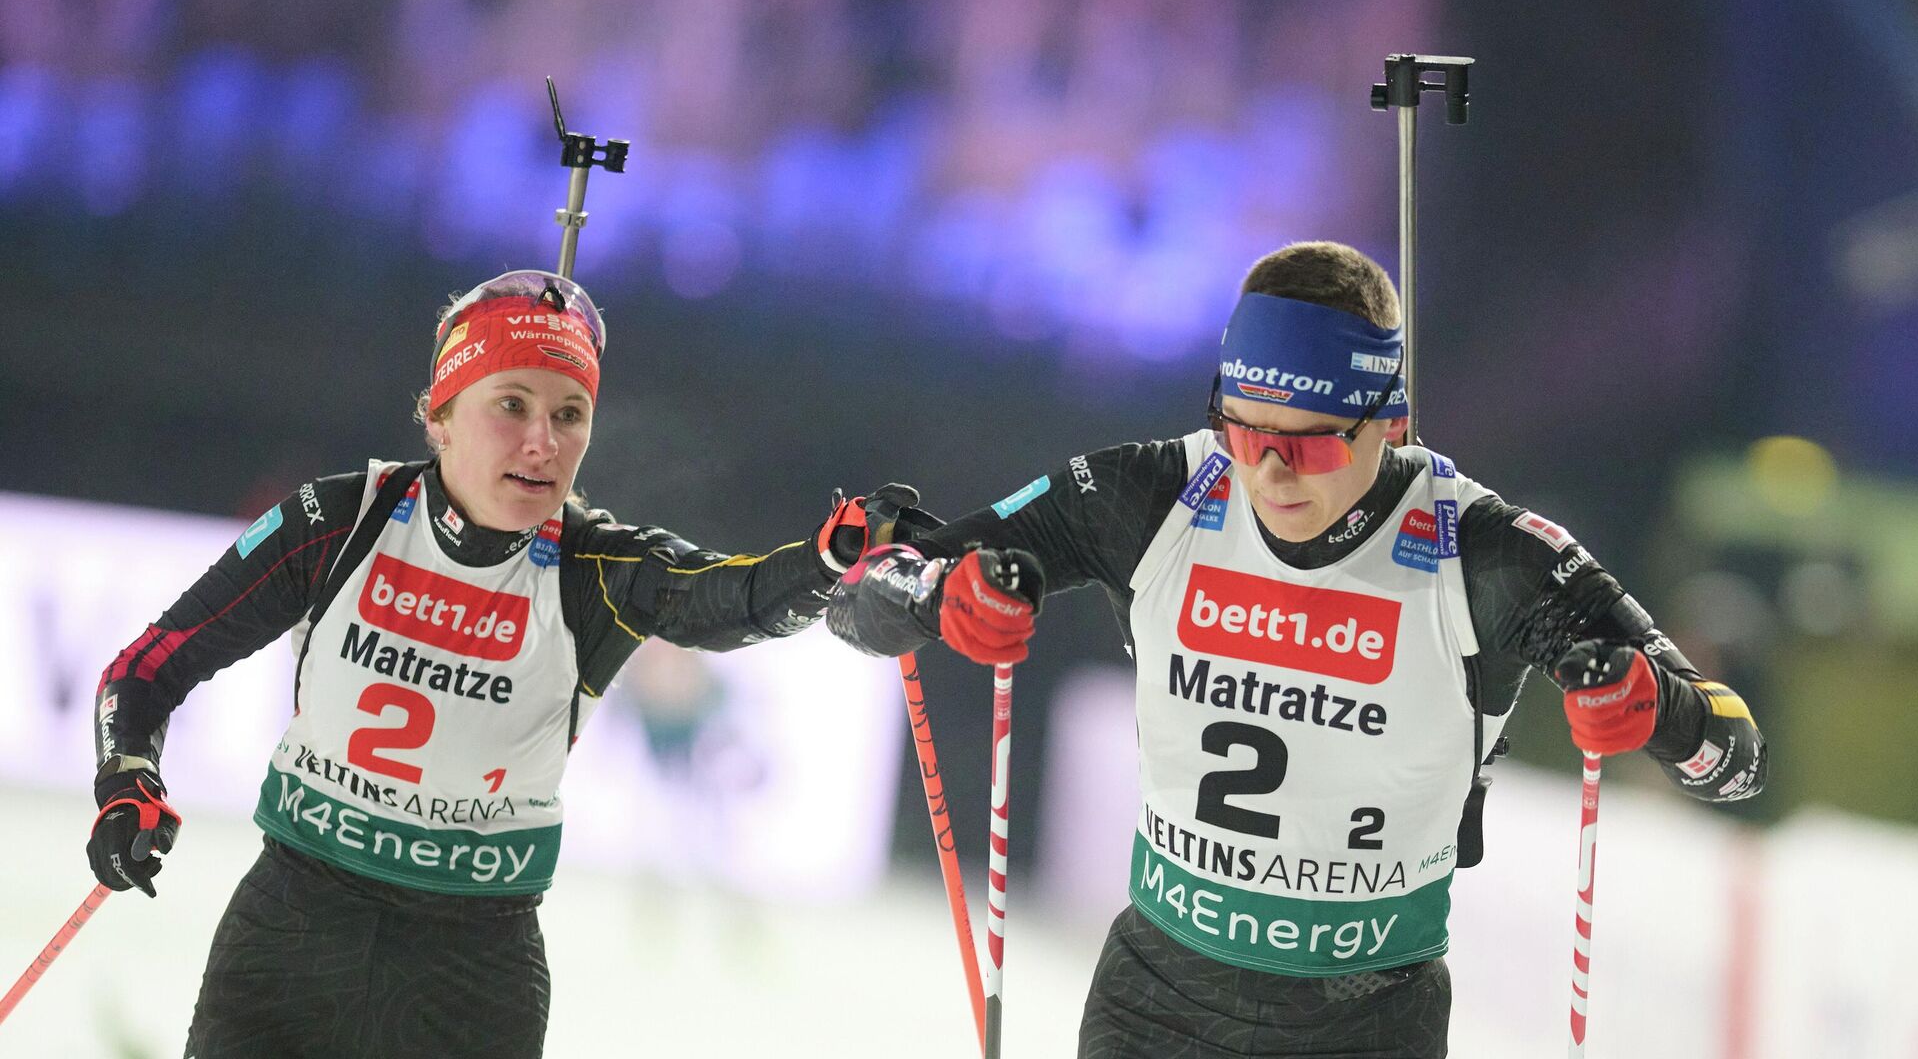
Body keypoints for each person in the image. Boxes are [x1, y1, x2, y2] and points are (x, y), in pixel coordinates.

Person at [825, 241, 1768, 1058]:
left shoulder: (1487, 555)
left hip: (1365, 1022)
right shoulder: (1155, 494)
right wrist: (939, 597)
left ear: (1388, 421)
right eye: (1245, 430)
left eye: (1310, 445)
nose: (1270, 472)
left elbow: (1736, 757)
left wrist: (1658, 709)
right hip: (1156, 1004)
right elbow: (863, 593)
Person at [84, 269, 928, 1059]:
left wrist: (828, 559)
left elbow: (728, 599)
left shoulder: (595, 567)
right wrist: (127, 778)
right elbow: (152, 665)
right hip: (293, 935)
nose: (541, 442)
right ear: (440, 414)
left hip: (471, 971)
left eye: (570, 414)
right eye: (512, 404)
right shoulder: (341, 521)